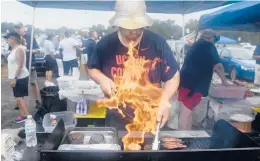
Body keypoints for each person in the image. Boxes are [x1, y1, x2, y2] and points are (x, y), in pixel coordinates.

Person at [87, 0, 180, 130]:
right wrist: (102, 79)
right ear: (118, 25)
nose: (134, 32)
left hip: (151, 115)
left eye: (138, 27)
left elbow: (173, 76)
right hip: (117, 116)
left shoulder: (157, 43)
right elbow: (92, 68)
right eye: (129, 29)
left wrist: (165, 101)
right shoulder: (105, 44)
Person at [178, 29, 228, 130]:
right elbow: (218, 66)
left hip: (187, 84)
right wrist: (225, 82)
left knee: (188, 113)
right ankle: (181, 140)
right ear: (211, 38)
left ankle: (187, 137)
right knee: (185, 113)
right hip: (192, 86)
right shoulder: (208, 45)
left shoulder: (197, 44)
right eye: (215, 39)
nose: (214, 42)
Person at [14, 22, 42, 109]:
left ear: (23, 28)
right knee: (19, 84)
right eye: (16, 28)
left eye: (19, 27)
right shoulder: (14, 38)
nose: (18, 29)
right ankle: (20, 101)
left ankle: (37, 101)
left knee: (33, 82)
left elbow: (38, 50)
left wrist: (27, 51)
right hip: (18, 66)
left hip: (30, 64)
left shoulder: (30, 37)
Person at [4, 32, 30, 123]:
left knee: (19, 98)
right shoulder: (13, 49)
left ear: (13, 38)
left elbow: (20, 66)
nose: (7, 40)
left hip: (20, 77)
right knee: (19, 98)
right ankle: (23, 115)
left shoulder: (19, 49)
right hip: (15, 77)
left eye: (8, 38)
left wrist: (14, 78)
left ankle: (28, 117)